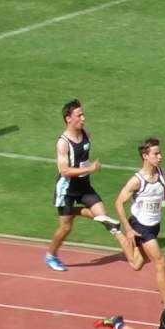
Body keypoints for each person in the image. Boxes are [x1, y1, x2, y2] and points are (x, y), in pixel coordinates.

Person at [45, 99, 130, 271]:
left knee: (103, 216)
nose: (83, 118)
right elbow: (63, 170)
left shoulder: (86, 134)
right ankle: (51, 255)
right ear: (68, 118)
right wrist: (90, 168)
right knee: (66, 228)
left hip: (84, 186)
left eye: (83, 114)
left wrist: (87, 168)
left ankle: (128, 247)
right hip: (67, 190)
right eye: (79, 115)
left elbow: (82, 158)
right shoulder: (63, 143)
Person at [113, 137, 165, 305]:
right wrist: (129, 229)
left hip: (154, 226)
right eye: (156, 153)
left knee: (137, 264)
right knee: (161, 262)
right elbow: (118, 203)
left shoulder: (163, 174)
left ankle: (116, 233)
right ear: (145, 156)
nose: (160, 156)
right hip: (140, 226)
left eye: (160, 153)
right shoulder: (137, 181)